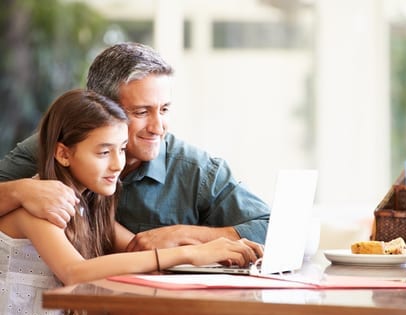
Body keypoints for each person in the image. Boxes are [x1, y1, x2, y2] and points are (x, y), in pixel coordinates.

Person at [0, 89, 263, 315]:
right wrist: (190, 253)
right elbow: (74, 272)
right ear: (63, 154)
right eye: (104, 152)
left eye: (122, 149)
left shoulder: (89, 205)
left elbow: (136, 251)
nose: (117, 164)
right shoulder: (39, 207)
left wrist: (210, 253)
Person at [0, 42, 270, 250]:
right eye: (141, 112)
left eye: (164, 109)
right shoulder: (54, 148)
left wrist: (184, 235)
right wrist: (20, 191)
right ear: (101, 108)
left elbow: (274, 229)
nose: (158, 127)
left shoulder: (196, 170)